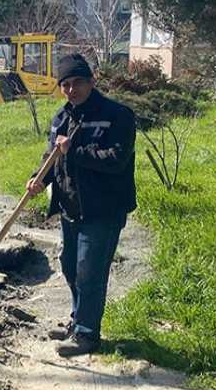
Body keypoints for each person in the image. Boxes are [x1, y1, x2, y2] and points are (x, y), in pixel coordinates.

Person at [25, 54, 136, 357]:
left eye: (77, 83)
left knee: (90, 272)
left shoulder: (117, 115)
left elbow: (115, 159)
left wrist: (73, 151)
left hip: (103, 209)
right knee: (71, 268)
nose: (71, 90)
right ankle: (77, 321)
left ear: (91, 82)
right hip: (71, 208)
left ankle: (87, 335)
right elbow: (51, 159)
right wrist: (38, 180)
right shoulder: (61, 119)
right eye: (65, 85)